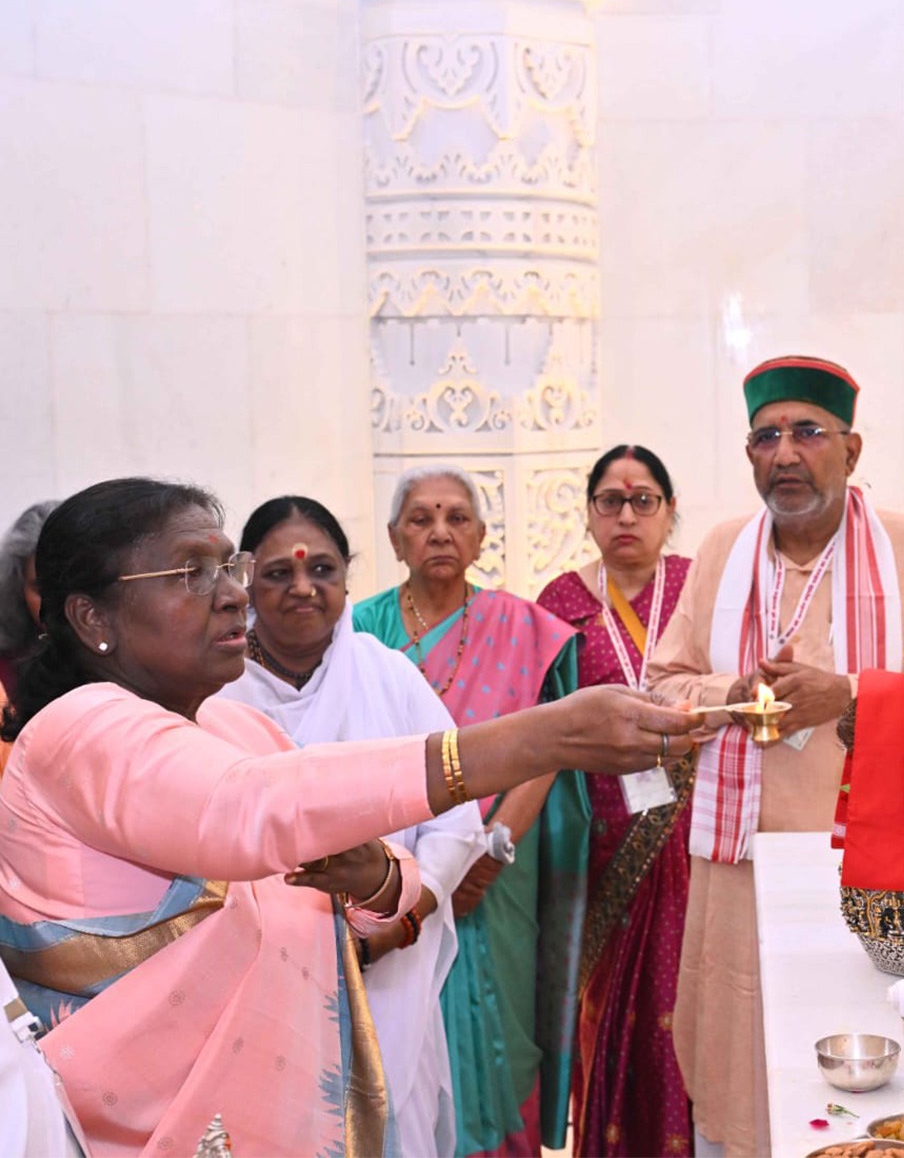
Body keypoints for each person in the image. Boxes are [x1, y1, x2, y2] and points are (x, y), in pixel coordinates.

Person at [0, 477, 702, 1156]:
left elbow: (353, 883)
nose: (234, 595)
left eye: (228, 566)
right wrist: (539, 738)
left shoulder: (231, 725)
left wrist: (378, 884)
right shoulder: (75, 733)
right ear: (92, 617)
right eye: (191, 572)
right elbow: (252, 808)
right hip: (141, 1129)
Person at [648, 356, 904, 1155]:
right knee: (745, 1076)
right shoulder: (723, 550)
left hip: (875, 875)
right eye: (766, 436)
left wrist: (849, 698)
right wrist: (738, 692)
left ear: (852, 448)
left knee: (870, 1079)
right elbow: (664, 685)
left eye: (808, 432)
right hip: (741, 869)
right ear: (749, 457)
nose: (786, 453)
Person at [214, 495, 487, 1157]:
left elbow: (459, 819)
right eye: (278, 573)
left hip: (389, 975)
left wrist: (403, 920)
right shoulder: (218, 692)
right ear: (245, 579)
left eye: (324, 571)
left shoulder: (387, 673)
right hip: (255, 984)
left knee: (389, 1125)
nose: (304, 587)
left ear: (346, 579)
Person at [354, 464, 587, 1156]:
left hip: (496, 876)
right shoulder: (357, 633)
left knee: (504, 1024)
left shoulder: (523, 628)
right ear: (396, 539)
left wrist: (490, 848)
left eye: (457, 518)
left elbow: (548, 745)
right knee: (397, 1026)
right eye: (421, 519)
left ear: (482, 537)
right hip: (387, 873)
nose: (440, 532)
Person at [536, 445, 695, 1158]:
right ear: (591, 513)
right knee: (611, 1015)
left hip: (696, 841)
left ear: (668, 512)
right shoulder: (559, 604)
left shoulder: (702, 586)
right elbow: (539, 729)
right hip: (598, 847)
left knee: (686, 1008)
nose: (626, 515)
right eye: (610, 500)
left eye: (643, 501)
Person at [0, 501, 60, 776]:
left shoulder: (126, 653)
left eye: (67, 585)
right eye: (40, 588)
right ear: (17, 586)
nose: (55, 603)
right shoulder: (5, 664)